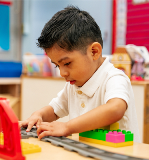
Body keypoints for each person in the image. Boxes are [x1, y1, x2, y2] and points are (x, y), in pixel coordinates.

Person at [19, 6, 140, 142]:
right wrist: (38, 115)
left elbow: (115, 108)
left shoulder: (114, 78)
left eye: (67, 63)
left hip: (122, 154)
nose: (62, 73)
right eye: (57, 65)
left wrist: (67, 127)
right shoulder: (74, 84)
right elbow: (54, 109)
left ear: (94, 52)